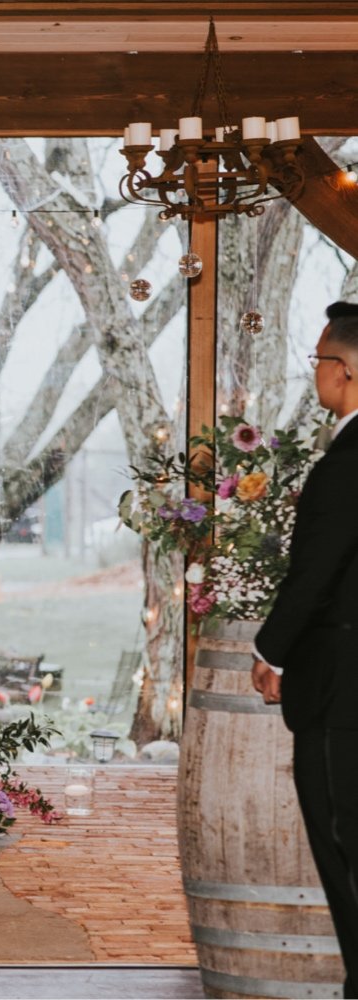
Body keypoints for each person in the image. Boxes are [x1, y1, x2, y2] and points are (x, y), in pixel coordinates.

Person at [251, 300, 358, 998]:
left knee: (343, 836)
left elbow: (316, 570)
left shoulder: (349, 461)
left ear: (347, 371)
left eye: (320, 359)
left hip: (343, 684)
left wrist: (272, 651)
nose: (315, 372)